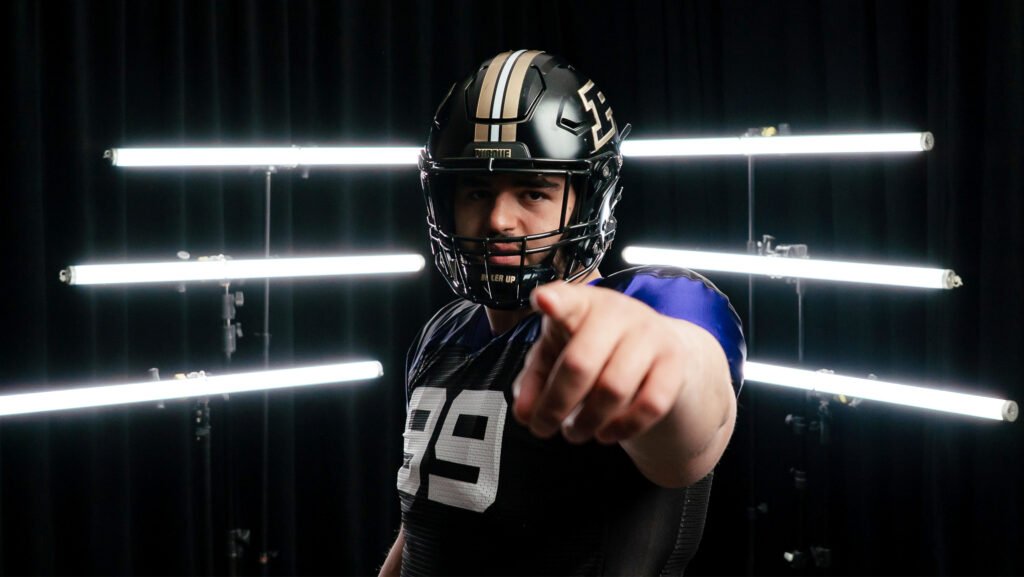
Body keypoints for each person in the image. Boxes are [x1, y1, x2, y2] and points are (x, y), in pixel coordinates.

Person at [380, 49, 745, 576]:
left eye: (533, 191)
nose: (500, 220)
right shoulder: (445, 329)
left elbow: (690, 424)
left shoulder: (650, 305)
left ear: (589, 199)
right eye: (477, 190)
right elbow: (425, 520)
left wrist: (659, 360)